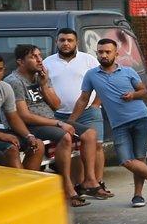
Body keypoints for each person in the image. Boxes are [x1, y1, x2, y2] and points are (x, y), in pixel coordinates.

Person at [68, 38, 147, 207]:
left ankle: (138, 196)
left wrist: (133, 95)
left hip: (140, 118)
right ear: (97, 54)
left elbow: (143, 91)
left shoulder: (128, 71)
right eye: (100, 52)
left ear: (116, 54)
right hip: (118, 124)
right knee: (126, 160)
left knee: (139, 158)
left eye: (108, 52)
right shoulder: (92, 75)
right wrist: (71, 121)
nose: (104, 55)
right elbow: (83, 99)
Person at [6, 44, 94, 207]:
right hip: (30, 125)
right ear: (20, 62)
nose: (40, 60)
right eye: (34, 57)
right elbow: (25, 116)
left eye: (40, 55)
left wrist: (44, 84)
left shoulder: (42, 76)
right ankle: (68, 188)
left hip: (50, 120)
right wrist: (59, 123)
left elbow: (56, 105)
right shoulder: (14, 81)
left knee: (90, 134)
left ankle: (89, 181)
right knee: (65, 137)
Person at [44, 28, 112, 198]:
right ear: (56, 42)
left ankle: (98, 183)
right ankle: (80, 184)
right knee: (72, 148)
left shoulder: (88, 60)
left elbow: (104, 83)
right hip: (59, 115)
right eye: (62, 40)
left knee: (96, 145)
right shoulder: (47, 63)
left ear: (76, 43)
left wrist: (96, 104)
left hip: (89, 112)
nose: (65, 43)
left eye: (69, 40)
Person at [0, 52, 41, 169]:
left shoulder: (5, 87)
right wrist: (4, 137)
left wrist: (28, 135)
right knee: (10, 150)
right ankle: (20, 185)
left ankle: (28, 183)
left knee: (37, 144)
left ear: (3, 70)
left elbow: (13, 117)